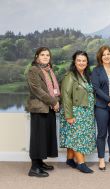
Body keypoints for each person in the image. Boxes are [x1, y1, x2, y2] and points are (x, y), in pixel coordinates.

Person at [60, 51, 96, 173]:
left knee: (75, 136)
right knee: (77, 137)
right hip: (76, 111)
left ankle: (70, 159)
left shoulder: (86, 75)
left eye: (84, 60)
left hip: (86, 112)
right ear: (74, 62)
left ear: (87, 62)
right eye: (79, 60)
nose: (81, 63)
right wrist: (69, 115)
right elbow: (66, 96)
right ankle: (81, 163)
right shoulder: (70, 76)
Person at [26, 47, 60, 177]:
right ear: (37, 57)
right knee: (37, 138)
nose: (45, 57)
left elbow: (55, 89)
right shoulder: (33, 70)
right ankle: (34, 168)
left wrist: (56, 102)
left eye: (47, 55)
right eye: (42, 55)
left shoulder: (49, 70)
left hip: (49, 108)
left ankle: (39, 162)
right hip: (39, 108)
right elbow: (37, 90)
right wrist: (53, 102)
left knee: (44, 137)